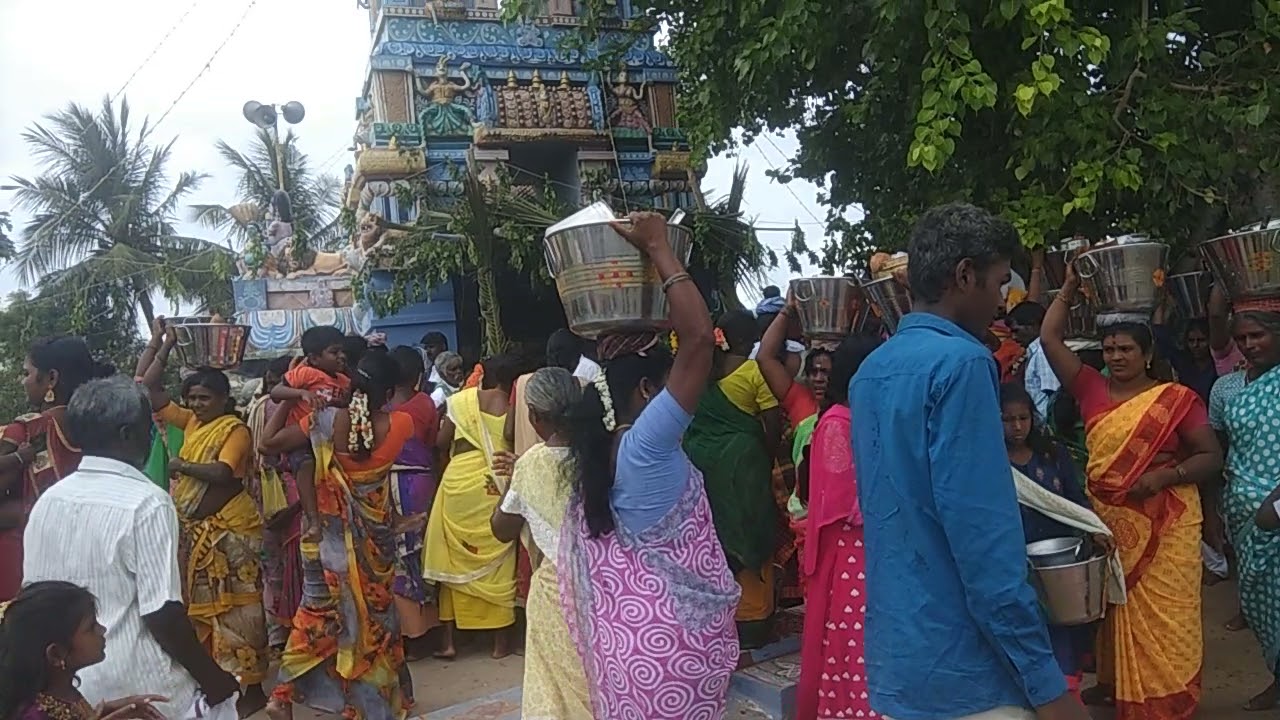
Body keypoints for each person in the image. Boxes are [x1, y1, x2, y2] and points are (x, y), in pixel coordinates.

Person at [850, 203, 1086, 720]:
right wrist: (1049, 687)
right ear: (964, 276)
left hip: (901, 661)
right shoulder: (962, 364)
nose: (1003, 302)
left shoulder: (871, 371)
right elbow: (984, 545)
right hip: (972, 671)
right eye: (1001, 283)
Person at [559, 211, 739, 717]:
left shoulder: (598, 448)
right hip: (674, 650)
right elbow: (700, 341)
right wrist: (660, 248)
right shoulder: (647, 445)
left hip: (624, 655)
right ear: (646, 390)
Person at [1040, 259, 1222, 719]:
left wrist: (1163, 477)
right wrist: (1067, 287)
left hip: (1167, 519)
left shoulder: (1174, 400)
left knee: (1167, 611)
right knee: (1117, 609)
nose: (1116, 357)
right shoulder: (1089, 388)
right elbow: (1048, 339)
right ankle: (1124, 688)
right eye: (1108, 349)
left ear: (1146, 355)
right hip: (1110, 520)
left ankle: (1170, 695)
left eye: (1125, 349)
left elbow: (1210, 456)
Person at [23, 376, 240, 719]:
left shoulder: (48, 501)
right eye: (147, 428)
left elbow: (32, 600)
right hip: (142, 690)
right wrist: (215, 681)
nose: (152, 436)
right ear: (128, 434)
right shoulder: (148, 503)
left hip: (70, 689)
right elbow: (163, 613)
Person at [259, 351, 416, 720]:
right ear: (389, 391)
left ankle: (280, 696)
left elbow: (267, 444)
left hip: (325, 545)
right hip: (372, 550)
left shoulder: (323, 421)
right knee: (372, 623)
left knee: (315, 617)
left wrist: (289, 396)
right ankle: (364, 707)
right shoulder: (403, 423)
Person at [142, 329, 268, 715]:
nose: (196, 404)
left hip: (232, 532)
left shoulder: (235, 429)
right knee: (204, 610)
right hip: (198, 534)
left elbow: (223, 472)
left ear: (224, 400)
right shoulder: (192, 423)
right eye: (192, 398)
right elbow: (148, 385)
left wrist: (181, 465)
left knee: (240, 611)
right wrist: (163, 342)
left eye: (205, 398)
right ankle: (218, 682)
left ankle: (253, 689)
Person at [490, 367, 590, 718]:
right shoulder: (600, 452)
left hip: (554, 593)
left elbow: (501, 528)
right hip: (605, 588)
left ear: (533, 416)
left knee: (553, 686)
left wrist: (509, 480)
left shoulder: (531, 465)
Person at [685, 308, 784, 647]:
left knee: (715, 535)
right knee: (751, 530)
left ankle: (719, 617)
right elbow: (773, 421)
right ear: (748, 340)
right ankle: (754, 619)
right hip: (744, 467)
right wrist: (766, 455)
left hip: (702, 467)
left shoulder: (702, 374)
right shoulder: (755, 371)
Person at [796, 334, 882, 720]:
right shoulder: (837, 423)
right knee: (852, 641)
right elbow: (841, 500)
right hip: (850, 551)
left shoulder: (862, 418)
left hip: (872, 545)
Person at [1000, 382, 1097, 699]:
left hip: (1058, 562)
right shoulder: (990, 463)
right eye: (1008, 420)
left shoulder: (1051, 455)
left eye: (1023, 419)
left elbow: (1074, 499)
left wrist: (1094, 528)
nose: (1017, 428)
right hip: (1012, 562)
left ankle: (1067, 698)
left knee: (1062, 631)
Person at [0, 337, 114, 600]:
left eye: (27, 373)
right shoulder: (107, 426)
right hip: (95, 556)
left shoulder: (27, 431)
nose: (23, 381)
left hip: (27, 560)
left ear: (51, 379)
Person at [422, 353, 520, 659]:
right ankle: (499, 643)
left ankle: (449, 642)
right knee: (500, 557)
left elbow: (441, 442)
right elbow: (511, 440)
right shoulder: (513, 405)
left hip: (458, 481)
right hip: (494, 481)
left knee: (454, 556)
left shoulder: (460, 400)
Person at [1213, 307, 1280, 710]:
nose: (1249, 345)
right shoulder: (1228, 388)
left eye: (1258, 336)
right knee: (1259, 605)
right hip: (1241, 512)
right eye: (1242, 339)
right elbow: (1223, 451)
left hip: (1276, 512)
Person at [0, 581, 168, 720]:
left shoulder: (63, 692)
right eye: (91, 627)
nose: (102, 630)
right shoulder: (32, 715)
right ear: (57, 654)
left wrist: (98, 714)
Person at [271, 326, 351, 542]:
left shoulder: (344, 381)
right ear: (314, 358)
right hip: (302, 439)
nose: (341, 356)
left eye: (342, 351)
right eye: (334, 352)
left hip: (327, 442)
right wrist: (301, 393)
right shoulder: (305, 374)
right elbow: (276, 392)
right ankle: (313, 521)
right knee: (305, 466)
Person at [387, 346, 440, 659]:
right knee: (424, 551)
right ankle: (429, 627)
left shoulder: (378, 408)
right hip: (421, 480)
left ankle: (408, 631)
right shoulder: (425, 404)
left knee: (397, 557)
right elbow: (432, 442)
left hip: (388, 484)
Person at [245, 356, 303, 650]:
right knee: (292, 563)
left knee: (271, 569)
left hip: (263, 486)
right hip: (288, 486)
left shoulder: (255, 406)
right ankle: (295, 628)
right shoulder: (283, 408)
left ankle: (278, 635)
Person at [134, 321, 186, 490]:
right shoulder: (175, 418)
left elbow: (143, 383)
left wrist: (165, 342)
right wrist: (158, 338)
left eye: (204, 397)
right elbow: (142, 382)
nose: (199, 403)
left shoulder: (182, 420)